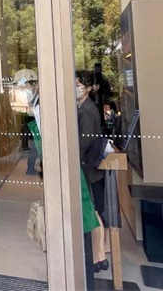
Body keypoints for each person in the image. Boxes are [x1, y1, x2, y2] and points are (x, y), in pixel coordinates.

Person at [76, 73, 105, 223]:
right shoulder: (83, 106)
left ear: (88, 89)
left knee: (91, 206)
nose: (75, 88)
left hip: (87, 163)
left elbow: (85, 140)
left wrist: (74, 156)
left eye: (78, 85)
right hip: (89, 163)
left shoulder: (87, 109)